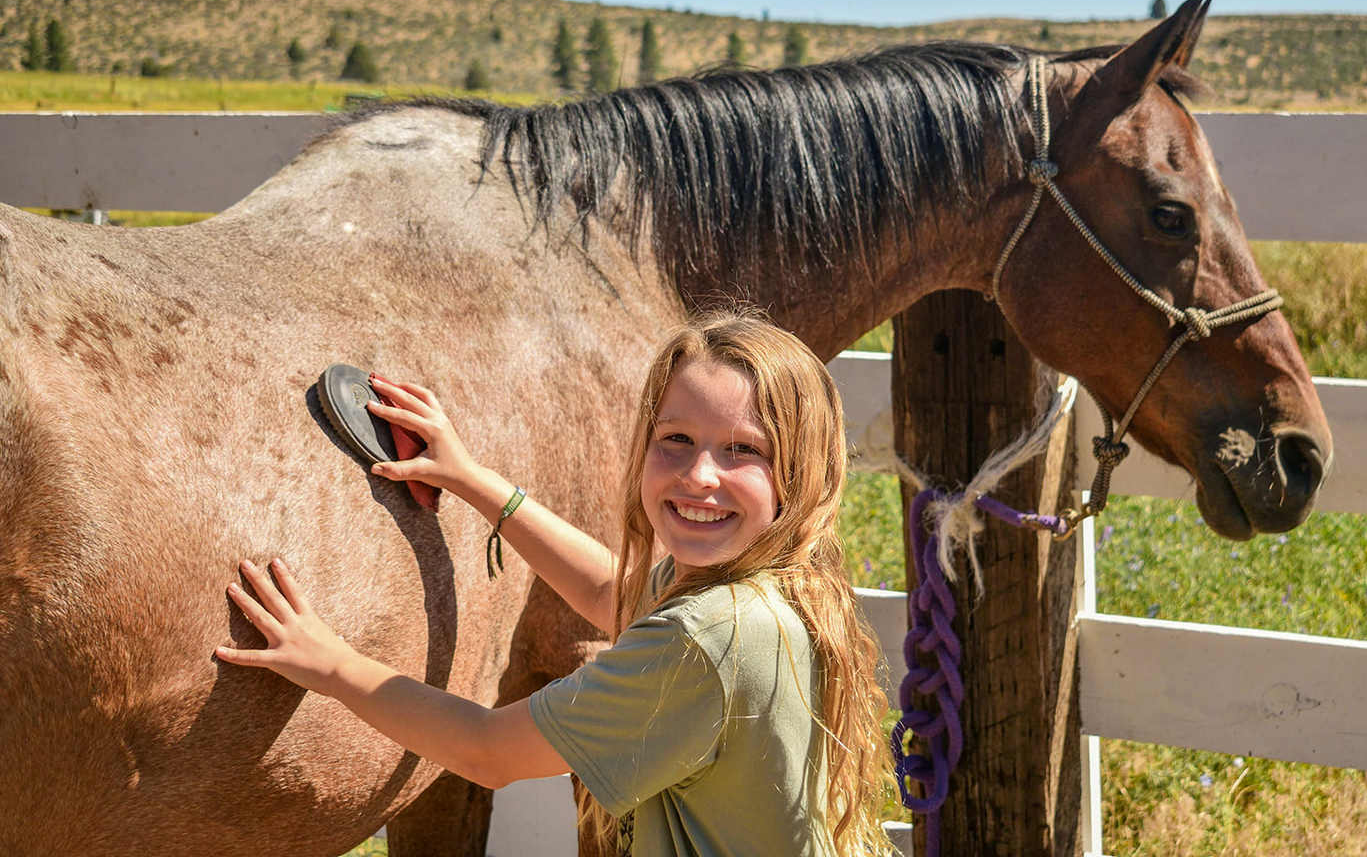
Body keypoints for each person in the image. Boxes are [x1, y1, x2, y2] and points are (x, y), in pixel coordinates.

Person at [215, 311, 892, 855]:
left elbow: (487, 751)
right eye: (677, 440)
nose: (699, 475)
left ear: (799, 474)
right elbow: (610, 594)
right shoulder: (765, 589)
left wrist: (330, 663)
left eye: (743, 450)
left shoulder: (705, 638)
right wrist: (473, 479)